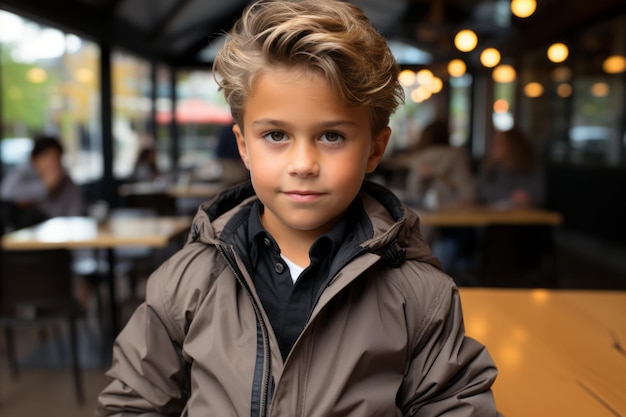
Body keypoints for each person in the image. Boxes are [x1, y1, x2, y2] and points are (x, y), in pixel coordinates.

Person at [97, 1, 500, 416]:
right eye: (275, 135)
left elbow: (453, 406)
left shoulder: (420, 294)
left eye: (331, 136)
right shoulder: (186, 281)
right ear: (244, 147)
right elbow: (133, 403)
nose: (303, 164)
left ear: (375, 148)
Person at [405, 120, 477, 278]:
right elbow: (469, 194)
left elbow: (413, 194)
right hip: (458, 220)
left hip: (426, 223)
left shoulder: (418, 160)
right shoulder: (458, 157)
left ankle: (431, 278)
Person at [1, 134, 83, 228]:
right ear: (34, 160)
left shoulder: (66, 181)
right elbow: (6, 193)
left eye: (56, 158)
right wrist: (44, 187)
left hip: (60, 235)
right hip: (26, 236)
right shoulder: (23, 173)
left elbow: (76, 215)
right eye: (47, 157)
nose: (52, 163)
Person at [477, 126, 546, 208]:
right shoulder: (492, 168)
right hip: (496, 216)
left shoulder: (531, 166)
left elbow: (539, 195)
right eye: (493, 143)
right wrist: (511, 195)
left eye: (499, 143)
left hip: (527, 217)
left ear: (512, 146)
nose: (493, 147)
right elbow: (482, 192)